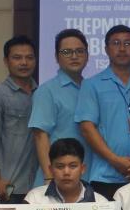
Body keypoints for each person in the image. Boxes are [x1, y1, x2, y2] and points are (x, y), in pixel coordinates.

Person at [77, 24, 130, 200]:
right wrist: (115, 160)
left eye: (128, 43)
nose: (122, 48)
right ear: (106, 49)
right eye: (116, 43)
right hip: (105, 176)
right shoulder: (92, 84)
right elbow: (87, 128)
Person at [0, 35, 39, 201]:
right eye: (17, 58)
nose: (24, 63)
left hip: (38, 186)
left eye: (29, 57)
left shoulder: (42, 94)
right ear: (6, 61)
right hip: (8, 186)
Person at [31, 29, 89, 187]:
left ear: (87, 55)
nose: (74, 56)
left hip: (86, 176)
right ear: (56, 57)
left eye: (79, 51)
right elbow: (40, 136)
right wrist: (50, 177)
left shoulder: (91, 88)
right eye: (66, 52)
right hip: (57, 179)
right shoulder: (47, 91)